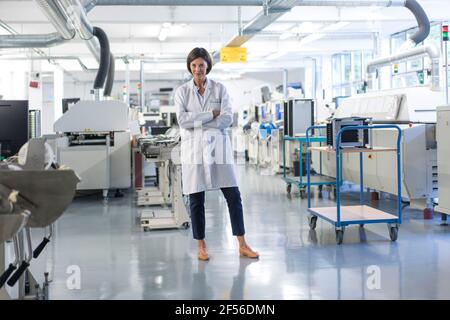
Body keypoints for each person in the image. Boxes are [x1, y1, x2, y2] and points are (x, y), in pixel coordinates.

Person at [174, 47, 259, 261]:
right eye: (194, 65)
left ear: (207, 66)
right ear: (189, 67)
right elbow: (182, 121)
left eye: (201, 65)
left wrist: (198, 120)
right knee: (196, 199)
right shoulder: (182, 92)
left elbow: (227, 118)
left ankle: (242, 243)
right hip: (194, 151)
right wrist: (211, 114)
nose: (197, 69)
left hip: (218, 149)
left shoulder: (220, 89)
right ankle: (201, 246)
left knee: (234, 197)